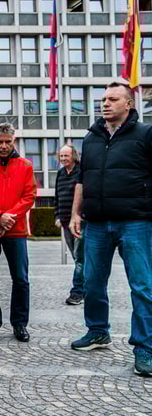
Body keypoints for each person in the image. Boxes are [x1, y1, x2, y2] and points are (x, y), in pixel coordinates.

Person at [69, 81, 152, 377]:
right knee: (91, 281)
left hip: (136, 222)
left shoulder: (145, 134)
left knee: (142, 286)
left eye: (112, 99)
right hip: (97, 223)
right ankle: (97, 331)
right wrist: (75, 213)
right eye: (103, 99)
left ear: (128, 104)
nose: (105, 104)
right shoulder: (90, 138)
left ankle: (145, 347)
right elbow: (82, 177)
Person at [0, 123, 36, 343]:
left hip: (16, 229)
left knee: (21, 279)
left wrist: (7, 218)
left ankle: (20, 324)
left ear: (14, 141)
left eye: (7, 142)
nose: (3, 146)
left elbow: (29, 197)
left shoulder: (26, 165)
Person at [54, 144, 85, 306]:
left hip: (80, 221)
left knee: (80, 258)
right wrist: (57, 216)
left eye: (66, 156)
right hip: (65, 222)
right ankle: (87, 288)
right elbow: (56, 197)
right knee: (77, 258)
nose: (63, 159)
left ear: (73, 156)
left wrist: (80, 215)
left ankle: (77, 292)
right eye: (61, 156)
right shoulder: (60, 173)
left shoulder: (81, 172)